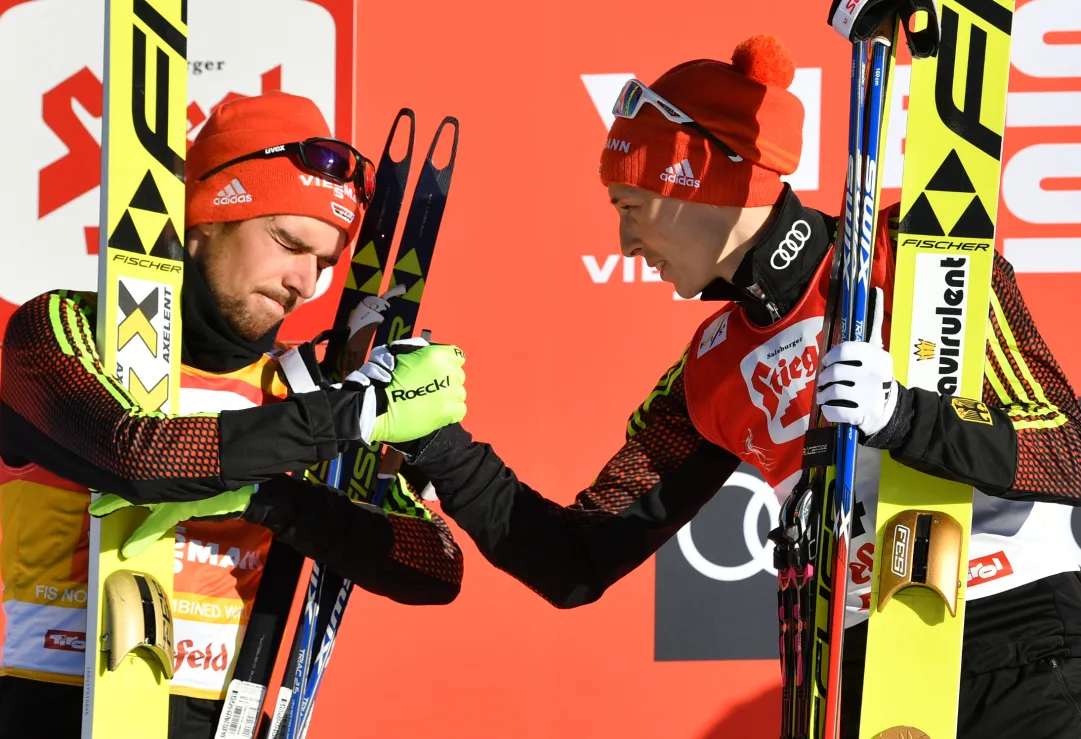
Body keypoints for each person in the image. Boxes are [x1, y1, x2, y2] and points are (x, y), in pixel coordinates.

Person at [395, 35, 1081, 738]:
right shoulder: (710, 367)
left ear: (694, 177)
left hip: (1016, 636)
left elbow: (1068, 451)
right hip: (856, 678)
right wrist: (437, 444)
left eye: (628, 205)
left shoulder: (909, 248)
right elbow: (577, 558)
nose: (624, 244)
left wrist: (902, 414)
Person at [0, 90, 467, 738]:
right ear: (204, 219)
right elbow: (133, 456)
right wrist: (353, 413)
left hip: (218, 715)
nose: (304, 282)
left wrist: (279, 502)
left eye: (325, 263)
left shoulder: (300, 389)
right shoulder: (60, 328)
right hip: (49, 705)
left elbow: (432, 564)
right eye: (286, 242)